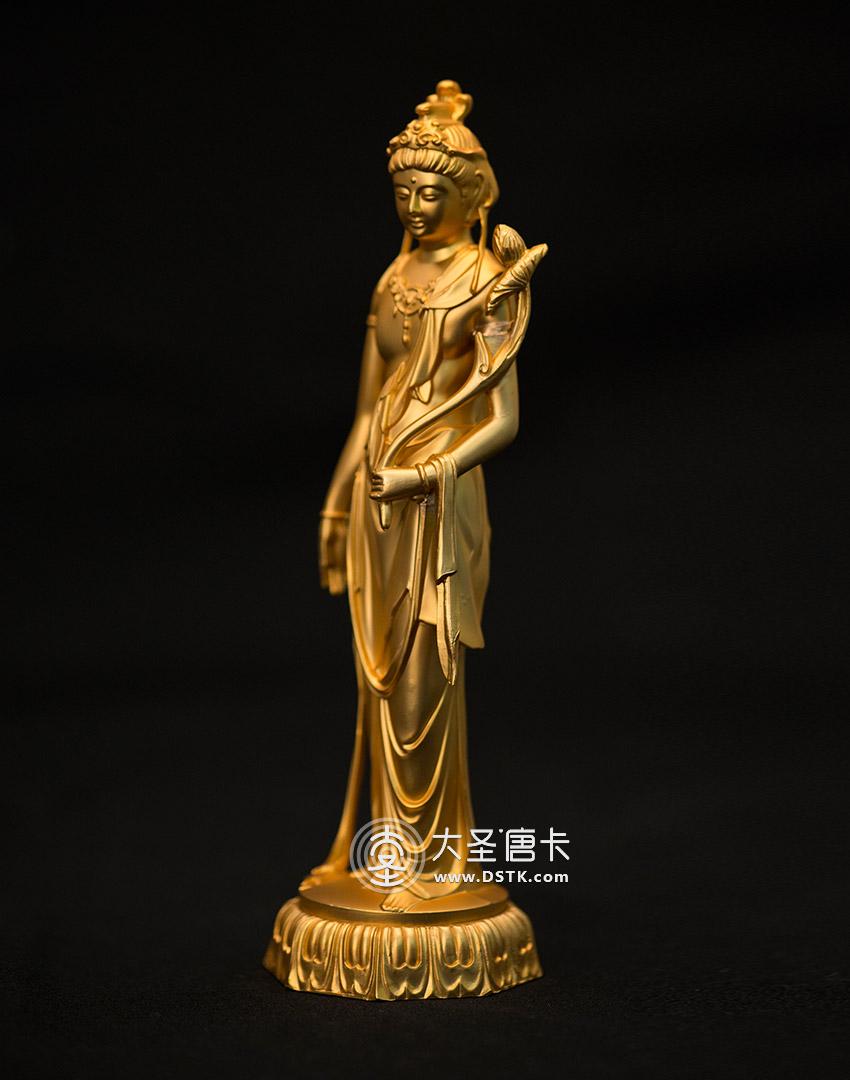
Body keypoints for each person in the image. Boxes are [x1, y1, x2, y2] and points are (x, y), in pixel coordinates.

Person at [313, 79, 524, 910]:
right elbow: (370, 410)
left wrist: (425, 476)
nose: (414, 205)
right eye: (403, 190)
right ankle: (383, 853)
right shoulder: (392, 278)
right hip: (379, 504)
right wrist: (338, 503)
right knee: (378, 680)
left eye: (431, 192)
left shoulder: (490, 279)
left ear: (468, 196)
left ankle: (431, 858)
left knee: (424, 679)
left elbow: (503, 418)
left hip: (437, 504)